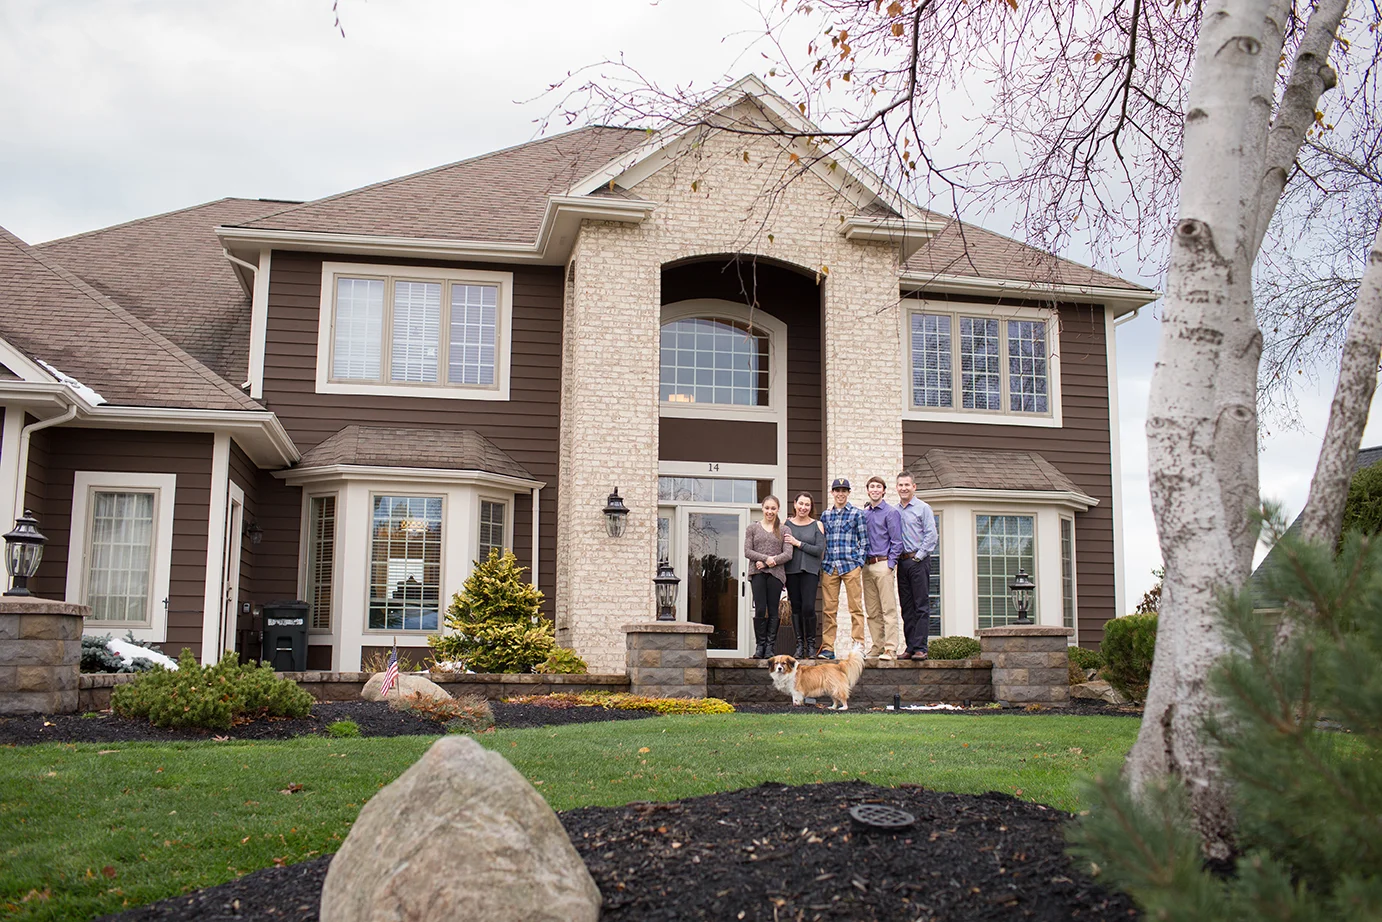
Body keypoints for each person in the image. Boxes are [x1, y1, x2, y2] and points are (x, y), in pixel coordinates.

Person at [818, 478, 867, 660]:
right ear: (832, 493)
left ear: (848, 493)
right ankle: (828, 648)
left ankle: (858, 647)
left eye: (844, 490)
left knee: (856, 608)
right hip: (830, 566)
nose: (840, 494)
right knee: (829, 610)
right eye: (837, 490)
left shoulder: (857, 514)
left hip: (850, 566)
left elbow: (864, 540)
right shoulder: (825, 515)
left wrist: (859, 563)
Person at [895, 471, 938, 660]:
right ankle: (910, 646)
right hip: (901, 562)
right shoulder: (894, 510)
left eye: (907, 485)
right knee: (906, 606)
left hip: (918, 561)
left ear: (914, 487)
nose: (904, 488)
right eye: (900, 485)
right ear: (897, 488)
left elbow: (931, 536)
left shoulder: (923, 508)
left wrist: (918, 557)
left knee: (921, 605)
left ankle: (921, 647)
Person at [743, 494, 792, 659]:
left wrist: (769, 562)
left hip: (776, 575)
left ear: (778, 510)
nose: (770, 511)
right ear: (762, 508)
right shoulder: (752, 528)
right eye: (767, 508)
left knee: (773, 610)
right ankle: (760, 646)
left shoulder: (784, 529)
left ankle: (770, 647)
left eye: (773, 508)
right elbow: (747, 551)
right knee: (760, 609)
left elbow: (788, 554)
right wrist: (765, 559)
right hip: (757, 573)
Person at [861, 475, 904, 660]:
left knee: (888, 610)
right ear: (868, 490)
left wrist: (891, 565)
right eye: (872, 487)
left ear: (884, 490)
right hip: (866, 566)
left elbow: (897, 541)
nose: (875, 490)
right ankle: (877, 646)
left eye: (879, 487)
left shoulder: (890, 512)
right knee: (872, 611)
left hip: (883, 564)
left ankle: (890, 648)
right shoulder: (865, 514)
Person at [782, 491, 825, 659]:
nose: (803, 507)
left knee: (808, 607)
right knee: (796, 608)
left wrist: (797, 543)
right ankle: (800, 645)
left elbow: (818, 550)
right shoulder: (786, 524)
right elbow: (782, 548)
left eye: (807, 505)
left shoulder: (817, 525)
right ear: (795, 504)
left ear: (811, 507)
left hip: (810, 571)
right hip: (791, 571)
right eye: (801, 504)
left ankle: (811, 644)